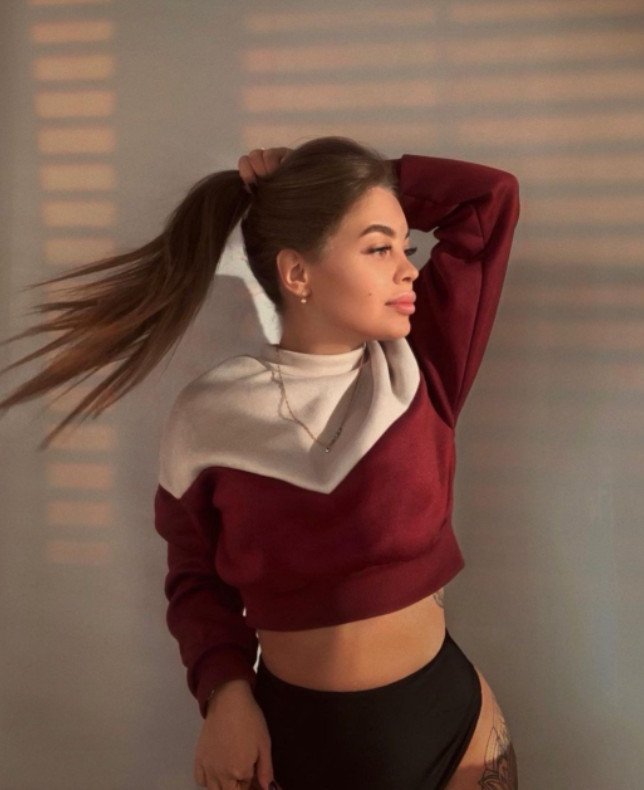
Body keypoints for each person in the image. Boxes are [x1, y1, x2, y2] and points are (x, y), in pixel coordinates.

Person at [0, 136, 520, 789]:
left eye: (405, 249)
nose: (407, 270)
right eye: (378, 248)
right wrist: (225, 694)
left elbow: (488, 201)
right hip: (288, 743)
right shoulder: (210, 414)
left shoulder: (423, 367)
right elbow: (195, 578)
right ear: (297, 274)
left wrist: (338, 180)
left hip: (455, 736)